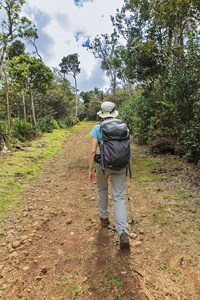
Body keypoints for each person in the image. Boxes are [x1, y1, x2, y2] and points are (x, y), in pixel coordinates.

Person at [89, 101, 130, 250]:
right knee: (119, 197)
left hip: (103, 166)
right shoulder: (123, 126)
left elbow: (93, 151)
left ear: (102, 113)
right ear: (114, 112)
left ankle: (104, 218)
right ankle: (123, 232)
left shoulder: (97, 128)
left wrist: (90, 170)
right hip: (120, 166)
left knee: (102, 189)